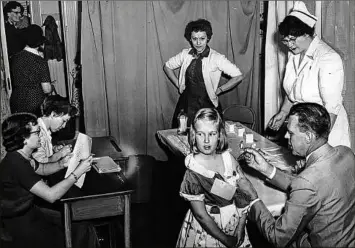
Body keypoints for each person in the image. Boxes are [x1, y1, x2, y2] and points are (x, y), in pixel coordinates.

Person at [237, 102, 355, 247]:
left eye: (291, 133)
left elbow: (277, 238)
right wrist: (266, 168)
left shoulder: (307, 182)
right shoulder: (346, 153)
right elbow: (313, 188)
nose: (286, 136)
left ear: (309, 137)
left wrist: (253, 198)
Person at [0, 113, 95, 248]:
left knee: (80, 223)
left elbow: (42, 169)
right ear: (24, 138)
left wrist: (62, 163)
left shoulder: (20, 156)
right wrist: (77, 172)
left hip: (29, 211)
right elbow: (51, 195)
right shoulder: (17, 164)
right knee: (77, 229)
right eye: (37, 132)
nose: (40, 136)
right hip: (18, 223)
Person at [267, 1, 351, 148]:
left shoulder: (328, 58)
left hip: (326, 131)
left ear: (307, 34)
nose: (289, 44)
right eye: (286, 40)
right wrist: (283, 112)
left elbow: (332, 109)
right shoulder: (294, 54)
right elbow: (293, 90)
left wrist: (316, 143)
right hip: (303, 127)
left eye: (293, 40)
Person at [176, 108, 251, 248]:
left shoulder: (228, 159)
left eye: (212, 134)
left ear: (220, 135)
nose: (206, 140)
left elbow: (243, 194)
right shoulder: (194, 172)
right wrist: (226, 240)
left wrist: (241, 225)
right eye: (200, 134)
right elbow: (201, 216)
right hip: (208, 232)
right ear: (193, 135)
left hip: (234, 223)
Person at [163, 19, 244, 127]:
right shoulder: (185, 54)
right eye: (194, 39)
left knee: (207, 135)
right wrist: (178, 84)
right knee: (183, 134)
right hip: (186, 103)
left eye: (202, 38)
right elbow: (167, 66)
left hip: (207, 104)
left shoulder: (216, 58)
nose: (198, 43)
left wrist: (219, 90)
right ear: (190, 39)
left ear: (208, 38)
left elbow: (238, 76)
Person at [10, 24, 53, 117]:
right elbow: (46, 89)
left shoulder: (15, 58)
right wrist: (51, 87)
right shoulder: (40, 61)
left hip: (16, 100)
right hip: (34, 102)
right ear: (40, 42)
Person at [32, 95, 77, 164]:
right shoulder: (38, 132)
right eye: (64, 121)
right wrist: (60, 154)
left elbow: (44, 150)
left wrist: (54, 149)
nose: (64, 126)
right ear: (53, 114)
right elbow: (40, 164)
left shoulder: (45, 129)